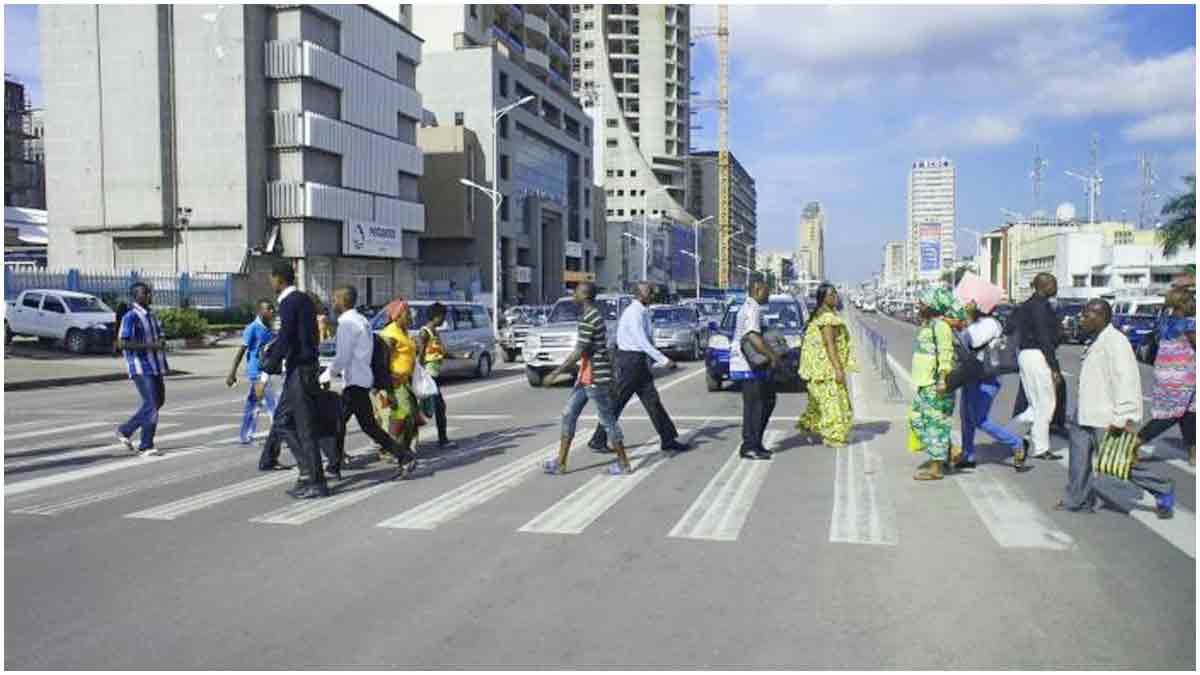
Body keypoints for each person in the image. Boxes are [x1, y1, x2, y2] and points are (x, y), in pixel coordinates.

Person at [1057, 299, 1175, 519]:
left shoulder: (1116, 342)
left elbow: (1127, 381)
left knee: (1117, 463)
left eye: (1086, 315)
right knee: (1078, 460)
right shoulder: (1095, 339)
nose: (1082, 319)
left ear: (1101, 316)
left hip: (1107, 415)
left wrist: (1124, 417)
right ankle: (1077, 499)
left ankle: (1162, 488)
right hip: (1084, 411)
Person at [322, 285, 415, 479]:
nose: (332, 302)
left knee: (343, 424)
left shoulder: (347, 323)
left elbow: (343, 356)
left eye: (334, 299)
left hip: (355, 382)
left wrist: (327, 374)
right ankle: (403, 456)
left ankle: (334, 466)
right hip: (361, 379)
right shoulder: (362, 320)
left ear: (342, 300)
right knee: (358, 425)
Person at [586, 282, 690, 454]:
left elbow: (646, 340)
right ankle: (598, 439)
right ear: (639, 295)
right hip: (630, 362)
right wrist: (664, 360)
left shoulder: (642, 311)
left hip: (638, 362)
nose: (652, 295)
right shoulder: (634, 313)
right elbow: (641, 341)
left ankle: (668, 439)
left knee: (653, 402)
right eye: (649, 292)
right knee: (617, 401)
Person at [543, 282, 632, 475]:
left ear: (584, 295)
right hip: (586, 376)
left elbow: (579, 351)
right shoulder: (590, 315)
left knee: (607, 420)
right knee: (568, 414)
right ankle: (561, 462)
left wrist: (555, 373)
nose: (573, 296)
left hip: (595, 377)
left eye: (575, 293)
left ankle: (624, 463)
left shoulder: (589, 318)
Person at [261, 261, 328, 499]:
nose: (270, 282)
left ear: (279, 279)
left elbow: (286, 337)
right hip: (301, 369)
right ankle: (307, 472)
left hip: (300, 370)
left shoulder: (290, 302)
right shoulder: (302, 299)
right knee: (282, 421)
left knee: (304, 426)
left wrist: (267, 368)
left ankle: (317, 482)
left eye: (271, 278)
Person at [955, 301, 1028, 471]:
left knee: (979, 419)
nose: (967, 307)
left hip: (987, 377)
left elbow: (972, 342)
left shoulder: (989, 324)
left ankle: (1017, 443)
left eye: (970, 305)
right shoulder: (975, 324)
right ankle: (968, 455)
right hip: (971, 374)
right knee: (966, 417)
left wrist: (962, 328)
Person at [1137, 288, 1196, 466]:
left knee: (1190, 413)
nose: (1194, 303)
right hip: (1181, 377)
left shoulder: (1164, 321)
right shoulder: (1188, 324)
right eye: (1191, 300)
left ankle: (1194, 454)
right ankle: (1134, 443)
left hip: (1166, 374)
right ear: (1182, 304)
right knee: (1169, 415)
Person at [797, 283, 857, 448]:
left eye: (836, 294)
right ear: (824, 298)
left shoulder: (818, 315)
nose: (836, 297)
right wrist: (838, 369)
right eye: (832, 294)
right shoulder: (827, 319)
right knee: (833, 403)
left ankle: (809, 427)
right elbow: (829, 344)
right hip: (826, 369)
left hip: (816, 369)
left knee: (818, 402)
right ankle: (833, 437)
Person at [908, 287, 959, 480]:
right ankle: (950, 450)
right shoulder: (929, 325)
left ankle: (936, 468)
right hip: (925, 382)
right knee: (917, 419)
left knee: (935, 424)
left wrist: (942, 380)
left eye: (922, 303)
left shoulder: (941, 326)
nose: (918, 306)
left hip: (936, 384)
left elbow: (945, 354)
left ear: (932, 305)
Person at [115, 282, 169, 457]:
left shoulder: (152, 316)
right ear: (135, 296)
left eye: (149, 293)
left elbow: (159, 336)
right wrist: (151, 345)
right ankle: (146, 445)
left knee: (158, 402)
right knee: (152, 404)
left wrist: (161, 343)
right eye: (145, 293)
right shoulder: (130, 317)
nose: (149, 296)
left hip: (156, 365)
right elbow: (122, 343)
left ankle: (125, 430)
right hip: (140, 366)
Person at [1015, 273, 1064, 460]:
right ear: (1044, 285)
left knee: (1035, 404)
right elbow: (1044, 338)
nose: (1056, 286)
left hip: (1026, 355)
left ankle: (1010, 434)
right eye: (1054, 283)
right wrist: (1054, 368)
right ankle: (1041, 448)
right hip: (1038, 355)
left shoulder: (1027, 305)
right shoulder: (1041, 307)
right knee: (1046, 403)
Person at [731, 278, 781, 460]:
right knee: (756, 406)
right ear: (757, 290)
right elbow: (753, 336)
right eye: (766, 290)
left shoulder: (750, 307)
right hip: (750, 366)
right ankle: (750, 446)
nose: (769, 294)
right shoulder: (752, 308)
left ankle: (756, 443)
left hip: (752, 365)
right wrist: (772, 356)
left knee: (766, 401)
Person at [377, 298, 420, 478]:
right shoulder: (390, 333)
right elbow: (382, 359)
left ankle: (401, 450)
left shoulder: (404, 332)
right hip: (395, 382)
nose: (410, 316)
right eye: (407, 313)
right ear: (397, 316)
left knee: (411, 417)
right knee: (404, 414)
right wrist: (384, 381)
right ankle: (396, 452)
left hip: (407, 381)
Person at [226, 300, 278, 446]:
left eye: (273, 309)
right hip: (257, 372)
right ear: (260, 311)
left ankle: (245, 435)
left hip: (269, 371)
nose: (272, 312)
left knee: (255, 404)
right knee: (272, 404)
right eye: (269, 309)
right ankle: (278, 435)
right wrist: (232, 372)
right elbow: (241, 351)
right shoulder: (253, 328)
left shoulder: (269, 328)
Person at [415, 302, 454, 449]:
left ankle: (440, 439)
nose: (444, 320)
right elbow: (420, 356)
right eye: (443, 317)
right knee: (437, 407)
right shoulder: (425, 333)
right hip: (429, 377)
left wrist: (458, 356)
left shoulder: (435, 332)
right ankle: (442, 440)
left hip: (435, 375)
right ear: (436, 317)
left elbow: (440, 352)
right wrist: (419, 376)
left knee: (432, 408)